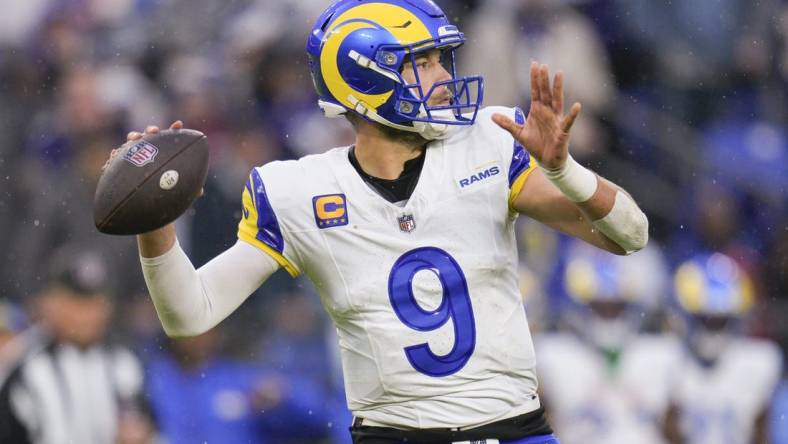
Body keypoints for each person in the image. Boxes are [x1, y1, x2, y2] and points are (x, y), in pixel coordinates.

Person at [122, 1, 649, 442]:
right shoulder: (298, 191)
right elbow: (190, 314)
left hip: (512, 429)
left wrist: (564, 170)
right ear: (363, 76)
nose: (445, 77)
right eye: (422, 63)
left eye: (442, 59)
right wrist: (155, 223)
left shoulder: (487, 144)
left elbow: (631, 235)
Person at [0, 245, 154, 444]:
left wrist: (141, 434)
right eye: (76, 302)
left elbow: (148, 425)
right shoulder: (25, 368)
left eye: (95, 302)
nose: (87, 314)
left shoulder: (125, 365)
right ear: (51, 303)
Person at [534, 240, 682, 444]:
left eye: (615, 307)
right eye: (600, 306)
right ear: (583, 304)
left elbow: (677, 429)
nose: (608, 314)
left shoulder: (660, 350)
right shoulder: (554, 350)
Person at [666, 251, 782, 444]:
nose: (713, 327)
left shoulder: (760, 361)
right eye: (705, 319)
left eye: (721, 321)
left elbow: (764, 434)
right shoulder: (667, 358)